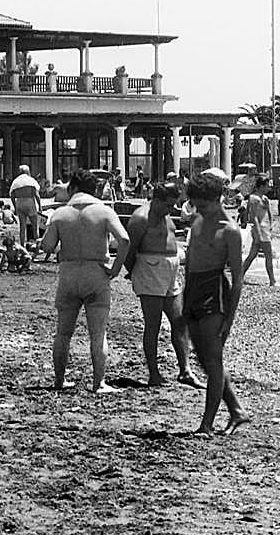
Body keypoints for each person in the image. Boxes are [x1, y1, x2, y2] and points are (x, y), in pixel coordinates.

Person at [40, 168, 130, 394]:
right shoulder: (104, 211)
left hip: (69, 273)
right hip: (96, 271)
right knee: (98, 333)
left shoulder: (61, 213)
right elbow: (124, 239)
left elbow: (46, 246)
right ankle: (98, 382)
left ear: (73, 188)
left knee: (63, 332)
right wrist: (116, 268)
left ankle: (60, 380)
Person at [183, 173, 247, 436]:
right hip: (194, 291)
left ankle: (207, 424)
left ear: (216, 200)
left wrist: (229, 319)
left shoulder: (230, 231)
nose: (198, 209)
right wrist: (185, 300)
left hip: (214, 293)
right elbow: (191, 261)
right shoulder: (198, 220)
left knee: (213, 358)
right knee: (206, 360)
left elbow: (238, 278)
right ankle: (237, 410)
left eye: (202, 204)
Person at [125, 182, 202, 389]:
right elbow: (129, 250)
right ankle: (154, 373)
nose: (171, 209)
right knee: (153, 324)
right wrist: (133, 273)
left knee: (179, 321)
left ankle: (185, 370)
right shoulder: (141, 218)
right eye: (168, 204)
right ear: (156, 200)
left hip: (170, 270)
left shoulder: (165, 216)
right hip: (150, 268)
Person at [241, 176, 275, 286]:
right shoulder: (255, 198)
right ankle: (272, 280)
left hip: (265, 229)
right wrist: (259, 233)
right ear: (261, 186)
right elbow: (253, 217)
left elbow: (269, 214)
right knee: (268, 255)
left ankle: (240, 275)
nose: (269, 187)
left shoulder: (264, 198)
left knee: (252, 255)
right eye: (266, 185)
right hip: (261, 229)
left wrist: (271, 225)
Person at [9, 165, 42, 247]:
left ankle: (22, 246)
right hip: (29, 201)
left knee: (22, 227)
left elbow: (12, 195)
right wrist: (40, 206)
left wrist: (15, 206)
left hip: (19, 202)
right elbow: (36, 194)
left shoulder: (15, 181)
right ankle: (37, 246)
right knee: (35, 226)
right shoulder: (31, 180)